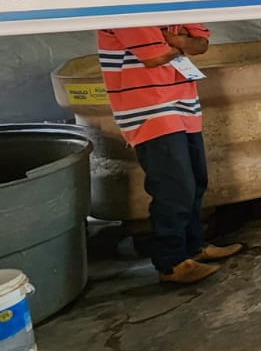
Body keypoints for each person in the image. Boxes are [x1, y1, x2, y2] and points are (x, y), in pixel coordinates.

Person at [97, 23, 242, 284]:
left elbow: (201, 45)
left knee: (196, 180)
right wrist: (182, 42)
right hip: (148, 106)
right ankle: (171, 262)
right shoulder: (126, 8)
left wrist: (174, 41)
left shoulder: (175, 4)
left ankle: (194, 246)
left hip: (183, 100)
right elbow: (153, 58)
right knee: (173, 186)